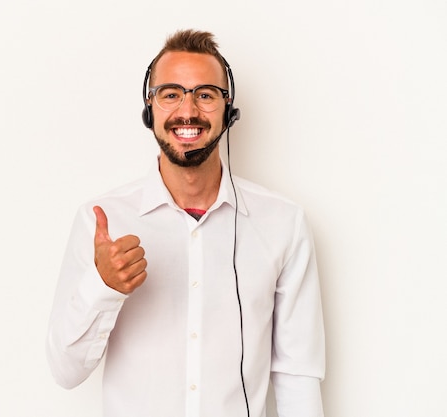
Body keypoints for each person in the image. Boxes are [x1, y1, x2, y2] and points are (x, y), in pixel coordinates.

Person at [46, 29, 325, 417]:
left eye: (205, 94)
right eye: (171, 93)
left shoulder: (283, 223)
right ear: (150, 108)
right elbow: (66, 371)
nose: (188, 110)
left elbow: (297, 375)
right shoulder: (103, 221)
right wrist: (103, 286)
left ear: (229, 110)